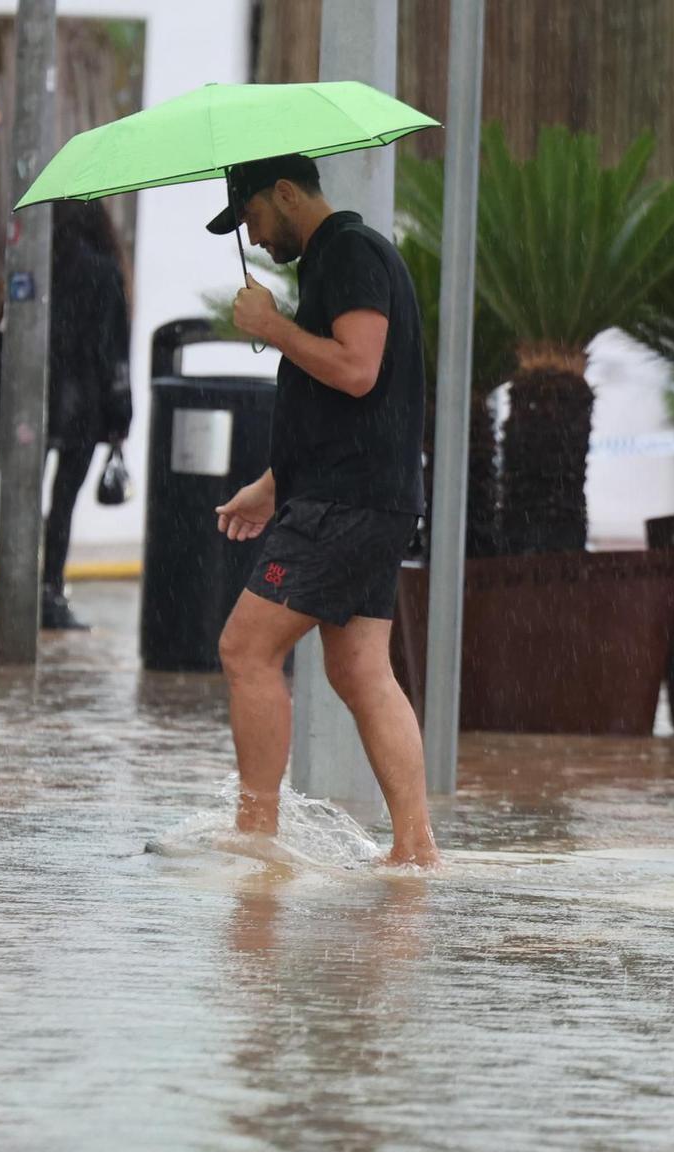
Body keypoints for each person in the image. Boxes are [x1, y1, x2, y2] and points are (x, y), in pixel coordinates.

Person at [209, 154, 439, 869]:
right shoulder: (339, 259)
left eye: (251, 217)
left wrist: (273, 328)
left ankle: (257, 834)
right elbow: (349, 409)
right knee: (361, 668)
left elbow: (357, 368)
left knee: (246, 648)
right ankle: (415, 848)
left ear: (284, 193)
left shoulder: (347, 251)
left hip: (347, 503)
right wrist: (274, 484)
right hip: (365, 496)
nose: (255, 236)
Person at [0, 199, 135, 632]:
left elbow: (5, 335)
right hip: (83, 409)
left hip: (31, 401)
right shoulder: (104, 272)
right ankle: (50, 589)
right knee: (62, 504)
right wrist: (121, 413)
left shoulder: (33, 267)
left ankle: (16, 586)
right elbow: (113, 348)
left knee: (23, 496)